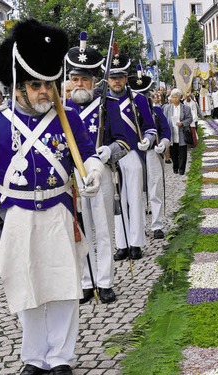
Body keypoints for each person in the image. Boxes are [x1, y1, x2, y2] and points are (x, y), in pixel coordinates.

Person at [0, 20, 104, 375]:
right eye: (35, 84)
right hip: (17, 215)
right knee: (25, 285)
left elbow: (87, 155)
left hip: (58, 209)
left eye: (49, 84)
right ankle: (34, 357)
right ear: (18, 85)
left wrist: (95, 173)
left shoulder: (67, 116)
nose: (45, 91)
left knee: (63, 285)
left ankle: (61, 357)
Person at [66, 34, 130, 305]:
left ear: (94, 81)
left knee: (103, 230)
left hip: (101, 175)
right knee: (78, 233)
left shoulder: (109, 105)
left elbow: (125, 142)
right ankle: (84, 281)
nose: (79, 84)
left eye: (85, 79)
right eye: (75, 79)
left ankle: (104, 281)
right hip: (71, 179)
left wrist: (109, 151)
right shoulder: (61, 109)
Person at [105, 48, 158, 262]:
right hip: (111, 157)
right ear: (107, 79)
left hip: (134, 154)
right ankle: (121, 244)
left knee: (134, 199)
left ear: (126, 78)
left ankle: (136, 243)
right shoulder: (103, 102)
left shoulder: (139, 100)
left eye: (120, 77)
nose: (116, 81)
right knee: (117, 202)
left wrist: (147, 140)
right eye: (112, 77)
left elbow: (151, 128)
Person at [128, 70, 170, 241]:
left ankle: (157, 225)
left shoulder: (156, 112)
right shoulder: (127, 111)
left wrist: (163, 144)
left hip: (152, 152)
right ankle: (138, 227)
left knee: (155, 189)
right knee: (135, 191)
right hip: (134, 153)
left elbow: (166, 131)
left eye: (145, 94)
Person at [163, 89, 193, 175]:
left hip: (181, 132)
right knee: (174, 152)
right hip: (172, 133)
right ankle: (175, 167)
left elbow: (190, 118)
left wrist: (182, 123)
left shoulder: (185, 108)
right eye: (173, 97)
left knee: (183, 153)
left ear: (180, 98)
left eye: (176, 97)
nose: (175, 99)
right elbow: (164, 119)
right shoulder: (167, 108)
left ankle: (181, 169)